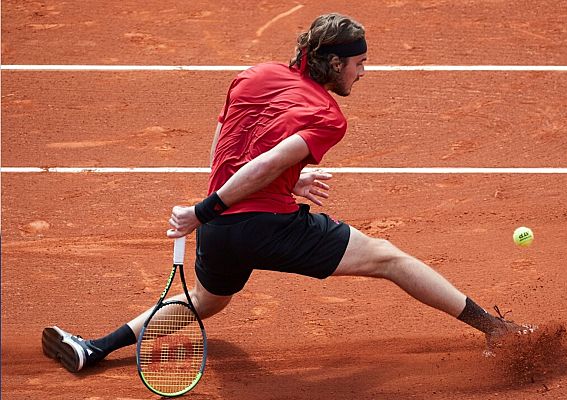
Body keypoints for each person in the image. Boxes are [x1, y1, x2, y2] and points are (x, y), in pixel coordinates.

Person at [42, 12, 534, 374]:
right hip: (260, 223)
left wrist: (235, 199)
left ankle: (95, 348)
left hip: (223, 228)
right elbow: (267, 161)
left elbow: (228, 145)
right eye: (359, 64)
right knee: (390, 259)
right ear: (334, 63)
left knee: (208, 301)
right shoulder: (327, 116)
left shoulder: (252, 75)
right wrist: (203, 208)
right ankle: (496, 330)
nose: (363, 72)